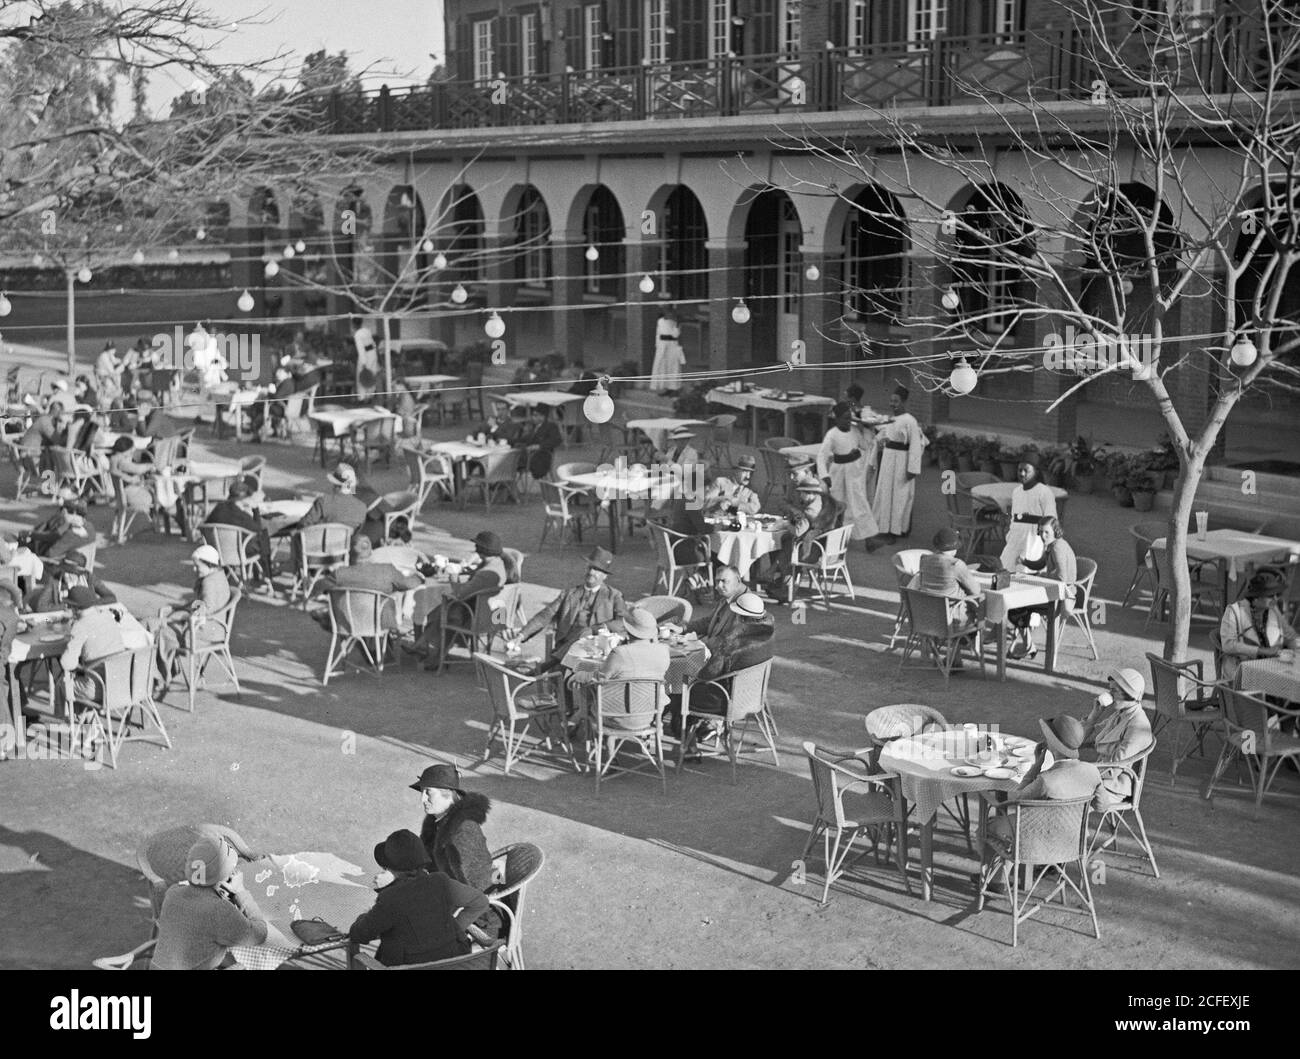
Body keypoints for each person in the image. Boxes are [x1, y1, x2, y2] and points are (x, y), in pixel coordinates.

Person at [977, 723, 1105, 880]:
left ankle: (994, 879)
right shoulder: (1092, 771)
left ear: (1054, 748)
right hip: (1072, 841)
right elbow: (1102, 806)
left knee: (987, 827)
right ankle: (999, 878)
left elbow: (1018, 799)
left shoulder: (1046, 780)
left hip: (1037, 843)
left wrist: (1037, 765)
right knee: (1014, 828)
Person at [348, 829, 489, 967]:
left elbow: (358, 934)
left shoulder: (390, 898)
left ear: (391, 869)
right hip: (454, 963)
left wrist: (366, 914)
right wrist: (455, 928)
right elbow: (480, 902)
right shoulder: (441, 881)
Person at [150, 833, 269, 970]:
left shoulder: (173, 893)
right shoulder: (220, 910)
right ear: (224, 874)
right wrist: (241, 892)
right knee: (247, 965)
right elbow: (259, 935)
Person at [1041, 666, 1153, 805]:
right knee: (1048, 779)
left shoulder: (1137, 727)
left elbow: (1113, 769)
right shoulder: (1121, 714)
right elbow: (1078, 739)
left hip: (1110, 787)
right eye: (1110, 689)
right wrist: (1094, 716)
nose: (1109, 694)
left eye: (1114, 691)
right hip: (1096, 776)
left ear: (1129, 694)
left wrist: (1078, 772)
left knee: (1053, 789)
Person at [410, 763, 500, 935]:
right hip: (457, 899)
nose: (422, 799)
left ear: (448, 793)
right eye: (421, 792)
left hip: (479, 918)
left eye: (428, 792)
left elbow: (469, 889)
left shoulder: (463, 830)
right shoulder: (438, 821)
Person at [676, 591, 775, 739]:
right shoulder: (768, 634)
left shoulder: (730, 644)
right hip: (751, 696)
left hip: (724, 700)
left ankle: (686, 737)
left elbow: (707, 675)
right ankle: (704, 726)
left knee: (677, 685)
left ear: (740, 617)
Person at [514, 547, 627, 669]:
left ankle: (541, 670)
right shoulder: (569, 594)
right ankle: (546, 670)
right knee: (566, 662)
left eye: (597, 570)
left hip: (595, 651)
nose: (591, 572)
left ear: (605, 576)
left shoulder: (614, 596)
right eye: (590, 567)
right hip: (566, 648)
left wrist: (599, 628)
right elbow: (545, 615)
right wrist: (521, 635)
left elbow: (623, 622)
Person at [410, 531, 508, 665]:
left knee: (448, 610)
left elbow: (460, 594)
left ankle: (426, 647)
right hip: (495, 615)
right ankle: (428, 649)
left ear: (482, 550)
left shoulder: (485, 574)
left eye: (477, 547)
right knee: (450, 612)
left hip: (481, 617)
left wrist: (453, 576)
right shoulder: (499, 564)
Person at [151, 545, 233, 694]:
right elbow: (203, 604)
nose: (195, 570)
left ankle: (162, 675)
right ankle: (166, 672)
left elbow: (205, 607)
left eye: (197, 566)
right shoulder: (218, 576)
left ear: (209, 565)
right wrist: (181, 609)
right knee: (164, 630)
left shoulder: (209, 582)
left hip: (204, 631)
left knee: (162, 634)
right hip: (215, 627)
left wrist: (182, 614)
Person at [59, 586, 148, 703]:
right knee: (82, 675)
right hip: (122, 685)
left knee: (62, 683)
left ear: (75, 608)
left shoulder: (79, 626)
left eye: (69, 605)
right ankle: (86, 717)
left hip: (99, 690)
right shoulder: (107, 616)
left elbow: (66, 664)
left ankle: (70, 719)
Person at [314, 536, 422, 633]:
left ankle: (355, 646)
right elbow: (409, 584)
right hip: (380, 624)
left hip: (347, 623)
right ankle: (377, 651)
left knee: (321, 614)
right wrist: (422, 576)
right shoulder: (387, 570)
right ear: (371, 553)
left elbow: (318, 587)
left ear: (349, 553)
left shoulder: (340, 574)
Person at [1007, 515, 1078, 659]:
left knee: (1016, 607)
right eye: (1040, 532)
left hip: (1062, 597)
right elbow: (1040, 564)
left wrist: (1042, 576)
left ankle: (1028, 646)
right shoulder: (1053, 544)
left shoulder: (1057, 548)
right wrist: (1025, 562)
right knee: (1019, 603)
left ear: (1055, 530)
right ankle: (1028, 644)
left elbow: (1062, 578)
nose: (1043, 536)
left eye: (1046, 532)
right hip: (1059, 591)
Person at [764, 478, 842, 599]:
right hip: (826, 547)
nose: (800, 495)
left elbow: (798, 531)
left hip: (813, 551)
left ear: (810, 494)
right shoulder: (822, 503)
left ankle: (784, 585)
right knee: (787, 541)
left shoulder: (811, 510)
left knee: (787, 544)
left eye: (802, 493)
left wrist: (785, 524)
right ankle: (777, 576)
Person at [1219, 566, 1298, 682]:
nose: (1276, 599)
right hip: (1243, 672)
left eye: (1277, 594)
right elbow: (1228, 645)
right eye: (1271, 595)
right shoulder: (1233, 611)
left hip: (1274, 668)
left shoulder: (1273, 610)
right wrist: (1261, 651)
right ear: (1256, 597)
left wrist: (1295, 646)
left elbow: (1289, 634)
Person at [818, 402, 879, 550]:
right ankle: (832, 539)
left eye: (849, 418)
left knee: (859, 504)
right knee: (837, 505)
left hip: (854, 472)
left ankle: (869, 540)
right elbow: (822, 455)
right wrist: (824, 475)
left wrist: (866, 429)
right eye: (844, 418)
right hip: (838, 472)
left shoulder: (854, 431)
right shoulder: (832, 434)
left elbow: (865, 445)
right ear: (837, 419)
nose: (847, 421)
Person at [872, 384, 927, 544]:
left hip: (902, 461)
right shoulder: (891, 419)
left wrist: (912, 469)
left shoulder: (910, 420)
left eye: (896, 401)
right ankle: (883, 527)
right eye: (891, 401)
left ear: (903, 402)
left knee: (899, 496)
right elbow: (884, 434)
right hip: (889, 459)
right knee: (885, 493)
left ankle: (896, 530)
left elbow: (916, 446)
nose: (892, 404)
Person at [909, 527, 981, 621]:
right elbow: (976, 590)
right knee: (980, 601)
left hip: (928, 617)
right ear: (955, 548)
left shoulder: (924, 560)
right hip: (953, 618)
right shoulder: (956, 564)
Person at [998, 459, 1057, 571]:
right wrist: (1010, 533)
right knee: (1006, 566)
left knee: (1027, 569)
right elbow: (1014, 516)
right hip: (1016, 535)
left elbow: (1051, 519)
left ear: (1036, 472)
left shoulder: (1044, 492)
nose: (1022, 473)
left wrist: (1046, 542)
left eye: (1026, 470)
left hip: (1034, 537)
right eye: (1020, 470)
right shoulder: (1016, 492)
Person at [203, 479, 271, 575]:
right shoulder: (241, 516)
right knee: (263, 536)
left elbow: (205, 524)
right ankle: (267, 574)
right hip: (237, 554)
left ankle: (228, 572)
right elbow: (257, 529)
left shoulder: (219, 508)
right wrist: (255, 509)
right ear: (244, 499)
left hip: (217, 552)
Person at [281, 462, 369, 536]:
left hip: (316, 552)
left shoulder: (323, 501)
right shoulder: (362, 507)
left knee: (296, 534)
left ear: (335, 485)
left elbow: (303, 524)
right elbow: (358, 533)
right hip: (344, 553)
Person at [26, 551, 115, 613]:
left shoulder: (89, 578)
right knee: (46, 621)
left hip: (87, 615)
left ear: (80, 574)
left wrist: (88, 604)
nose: (67, 576)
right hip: (62, 617)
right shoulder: (55, 580)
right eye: (65, 572)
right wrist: (67, 607)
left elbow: (111, 597)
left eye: (71, 573)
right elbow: (41, 607)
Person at [684, 565, 747, 642]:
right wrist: (683, 628)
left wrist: (703, 645)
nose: (718, 586)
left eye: (724, 581)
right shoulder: (728, 595)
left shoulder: (747, 604)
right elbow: (709, 621)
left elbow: (736, 640)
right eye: (717, 581)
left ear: (737, 581)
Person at [108, 435, 156, 533]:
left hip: (120, 495)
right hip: (130, 495)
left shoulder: (113, 459)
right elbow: (138, 469)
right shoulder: (122, 462)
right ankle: (155, 523)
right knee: (156, 492)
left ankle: (152, 521)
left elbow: (114, 471)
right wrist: (150, 466)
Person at [25, 500, 94, 560]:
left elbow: (49, 554)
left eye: (63, 511)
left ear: (74, 513)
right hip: (77, 561)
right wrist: (32, 534)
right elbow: (56, 535)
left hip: (57, 566)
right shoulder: (89, 526)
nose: (62, 514)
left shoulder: (71, 534)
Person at [703, 454, 761, 519]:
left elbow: (755, 507)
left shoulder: (750, 489)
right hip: (715, 519)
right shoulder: (721, 482)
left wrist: (735, 504)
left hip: (736, 522)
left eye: (750, 473)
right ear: (736, 471)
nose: (748, 476)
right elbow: (706, 502)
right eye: (745, 472)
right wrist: (724, 498)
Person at [249, 368, 296, 440]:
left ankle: (255, 429)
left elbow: (277, 397)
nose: (278, 374)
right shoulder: (287, 382)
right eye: (277, 372)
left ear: (287, 374)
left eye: (280, 372)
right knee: (260, 407)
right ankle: (257, 429)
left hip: (282, 408)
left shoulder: (287, 383)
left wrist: (267, 392)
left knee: (257, 406)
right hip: (283, 407)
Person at [521, 404, 562, 480]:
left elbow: (557, 440)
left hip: (542, 459)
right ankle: (508, 487)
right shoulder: (534, 427)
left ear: (542, 416)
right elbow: (523, 440)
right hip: (529, 456)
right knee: (510, 461)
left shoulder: (551, 426)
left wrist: (539, 446)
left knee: (511, 462)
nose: (533, 418)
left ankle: (504, 486)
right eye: (533, 415)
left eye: (535, 415)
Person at [650, 306, 685, 394]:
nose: (668, 314)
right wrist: (658, 346)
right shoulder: (660, 321)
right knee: (662, 366)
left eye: (670, 312)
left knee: (673, 366)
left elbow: (676, 335)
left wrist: (677, 324)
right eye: (666, 312)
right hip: (662, 346)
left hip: (672, 345)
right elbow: (658, 334)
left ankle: (674, 388)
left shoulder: (675, 322)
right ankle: (663, 387)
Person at [353, 318, 379, 400]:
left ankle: (363, 397)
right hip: (372, 354)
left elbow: (360, 348)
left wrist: (363, 363)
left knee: (362, 375)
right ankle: (370, 395)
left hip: (365, 355)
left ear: (353, 324)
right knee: (372, 374)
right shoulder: (367, 330)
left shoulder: (357, 334)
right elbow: (373, 343)